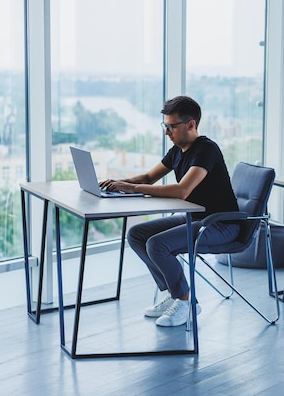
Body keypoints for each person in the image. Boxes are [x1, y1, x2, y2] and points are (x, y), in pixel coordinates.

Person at [99, 95, 240, 327]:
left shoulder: (207, 150)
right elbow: (148, 178)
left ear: (191, 124)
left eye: (171, 126)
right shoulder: (177, 150)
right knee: (137, 235)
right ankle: (176, 294)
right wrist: (118, 183)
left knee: (158, 244)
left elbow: (182, 191)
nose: (167, 132)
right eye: (165, 126)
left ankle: (186, 302)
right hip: (195, 218)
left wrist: (131, 187)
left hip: (221, 224)